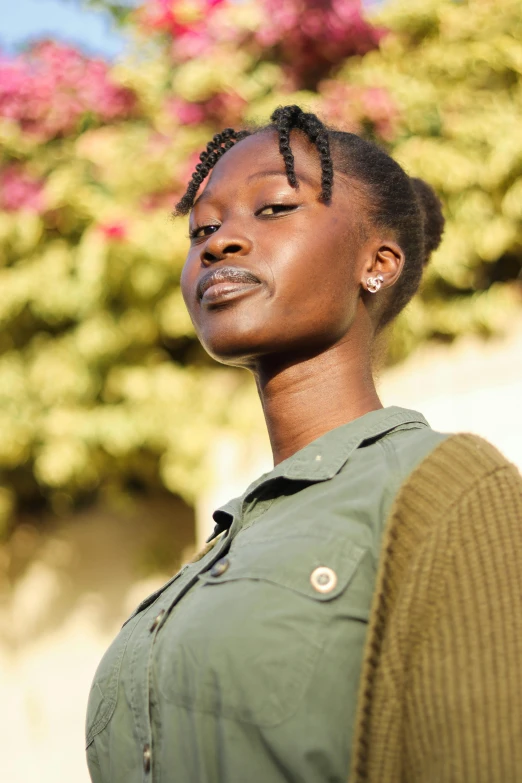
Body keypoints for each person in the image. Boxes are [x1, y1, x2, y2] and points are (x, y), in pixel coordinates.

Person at [85, 105, 522, 783]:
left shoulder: (447, 489)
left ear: (377, 262)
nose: (219, 242)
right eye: (202, 226)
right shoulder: (212, 559)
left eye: (273, 208)